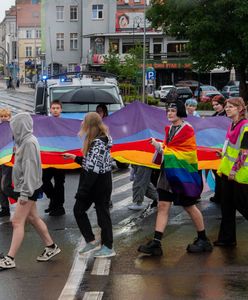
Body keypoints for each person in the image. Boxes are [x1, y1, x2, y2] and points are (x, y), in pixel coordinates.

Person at [138, 101, 213, 256]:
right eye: (168, 111)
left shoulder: (187, 129)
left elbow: (187, 153)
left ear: (179, 112)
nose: (169, 113)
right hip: (168, 173)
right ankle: (156, 243)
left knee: (189, 206)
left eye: (173, 110)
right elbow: (171, 149)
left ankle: (203, 239)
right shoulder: (171, 129)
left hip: (182, 174)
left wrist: (160, 147)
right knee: (163, 205)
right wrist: (160, 147)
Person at [0, 112, 61, 270]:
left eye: (14, 127)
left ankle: (10, 258)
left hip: (29, 188)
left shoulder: (29, 143)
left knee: (17, 221)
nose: (12, 131)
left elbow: (31, 170)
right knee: (33, 218)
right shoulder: (24, 141)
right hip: (29, 187)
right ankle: (51, 246)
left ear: (20, 127)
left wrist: (25, 194)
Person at [63, 112, 116, 258]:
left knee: (101, 214)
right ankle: (91, 241)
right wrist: (76, 158)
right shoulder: (97, 140)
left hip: (98, 184)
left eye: (83, 121)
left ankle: (108, 246)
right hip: (99, 181)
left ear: (90, 125)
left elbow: (93, 170)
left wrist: (83, 191)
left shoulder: (99, 142)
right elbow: (92, 163)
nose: (81, 124)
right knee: (82, 211)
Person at [214, 97, 248, 247]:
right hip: (227, 172)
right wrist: (221, 153)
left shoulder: (245, 127)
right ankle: (227, 239)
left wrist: (235, 170)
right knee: (226, 205)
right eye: (226, 106)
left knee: (243, 205)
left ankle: (227, 238)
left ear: (240, 109)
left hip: (239, 174)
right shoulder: (232, 125)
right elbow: (231, 147)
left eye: (231, 107)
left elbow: (244, 152)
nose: (227, 109)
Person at [42, 100, 66, 216]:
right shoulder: (45, 122)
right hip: (49, 157)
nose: (55, 110)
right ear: (50, 110)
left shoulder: (65, 123)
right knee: (43, 180)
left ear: (61, 110)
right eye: (53, 108)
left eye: (57, 108)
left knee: (59, 183)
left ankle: (59, 207)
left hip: (61, 158)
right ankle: (54, 201)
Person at [0, 108, 18, 217]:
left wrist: (16, 147)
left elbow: (18, 142)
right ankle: (5, 208)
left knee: (5, 186)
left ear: (10, 117)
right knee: (0, 186)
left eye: (5, 116)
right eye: (1, 116)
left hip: (9, 161)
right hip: (1, 160)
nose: (3, 118)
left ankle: (22, 199)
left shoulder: (13, 129)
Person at [209, 95, 227, 203]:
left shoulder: (226, 117)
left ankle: (221, 196)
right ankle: (218, 194)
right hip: (214, 149)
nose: (215, 107)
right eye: (213, 105)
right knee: (216, 173)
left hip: (222, 150)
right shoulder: (214, 116)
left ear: (223, 104)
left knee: (221, 174)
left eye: (217, 104)